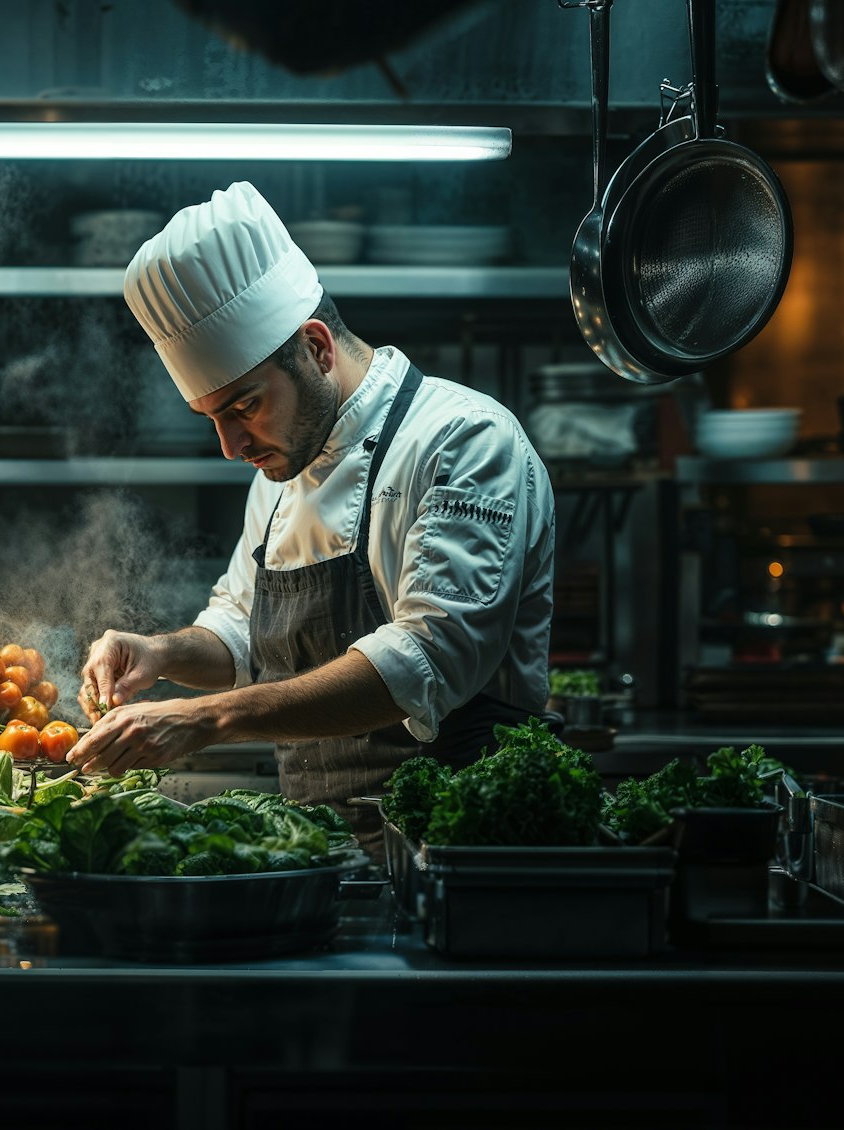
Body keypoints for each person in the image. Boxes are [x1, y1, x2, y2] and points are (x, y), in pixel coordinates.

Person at [69, 181, 556, 860]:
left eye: (242, 408)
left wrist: (205, 719)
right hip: (322, 859)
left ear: (317, 348)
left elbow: (426, 660)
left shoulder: (463, 440)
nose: (230, 447)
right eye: (211, 419)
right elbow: (241, 635)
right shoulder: (282, 463)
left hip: (462, 861)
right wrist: (163, 655)